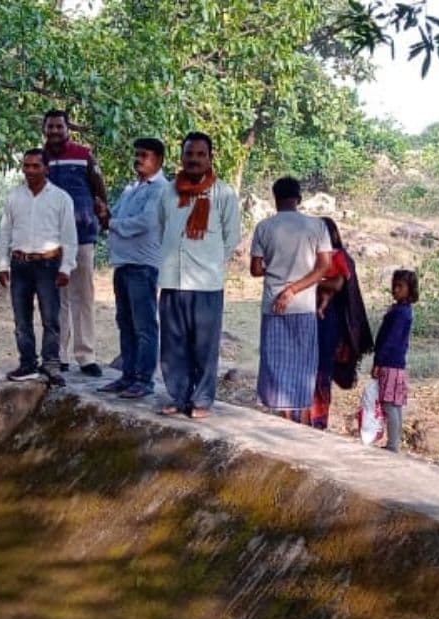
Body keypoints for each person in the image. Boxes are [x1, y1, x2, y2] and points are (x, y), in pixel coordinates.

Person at [155, 132, 241, 419]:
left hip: (206, 283)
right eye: (189, 154)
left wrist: (211, 262)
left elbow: (231, 238)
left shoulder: (224, 194)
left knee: (204, 346)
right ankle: (177, 397)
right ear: (181, 157)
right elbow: (160, 229)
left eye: (200, 154)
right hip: (171, 280)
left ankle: (202, 399)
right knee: (172, 345)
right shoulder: (167, 192)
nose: (194, 159)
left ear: (210, 158)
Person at [249, 177, 339, 418]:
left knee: (275, 365)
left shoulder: (264, 227)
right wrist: (295, 288)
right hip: (303, 305)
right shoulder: (317, 226)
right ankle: (298, 421)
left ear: (274, 198)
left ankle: (280, 417)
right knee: (301, 365)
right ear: (298, 199)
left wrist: (277, 272)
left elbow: (256, 269)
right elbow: (323, 267)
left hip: (273, 305)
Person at [94, 137, 167, 399]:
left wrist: (111, 223)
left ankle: (144, 379)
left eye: (144, 155)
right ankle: (127, 375)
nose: (138, 159)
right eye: (136, 154)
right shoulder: (130, 189)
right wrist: (104, 214)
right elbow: (113, 217)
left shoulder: (161, 190)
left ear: (158, 160)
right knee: (125, 322)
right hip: (123, 263)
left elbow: (144, 223)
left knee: (144, 325)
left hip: (143, 265)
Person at [0, 149, 77, 387]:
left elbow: (69, 237)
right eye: (26, 166)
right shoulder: (14, 196)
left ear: (46, 168)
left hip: (48, 264)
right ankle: (27, 364)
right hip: (20, 264)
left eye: (35, 166)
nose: (30, 171)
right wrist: (2, 264)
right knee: (22, 320)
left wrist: (65, 268)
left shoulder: (61, 198)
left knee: (51, 318)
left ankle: (51, 365)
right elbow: (5, 232)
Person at [42, 109, 108, 377]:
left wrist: (102, 215)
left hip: (82, 234)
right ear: (44, 130)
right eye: (51, 127)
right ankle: (59, 355)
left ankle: (86, 355)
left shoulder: (83, 155)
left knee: (83, 295)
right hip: (50, 239)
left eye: (60, 126)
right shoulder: (39, 158)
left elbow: (99, 189)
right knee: (57, 298)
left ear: (68, 129)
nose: (55, 131)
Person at [301, 217, 374, 429]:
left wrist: (311, 283)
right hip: (309, 319)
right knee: (306, 371)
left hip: (329, 323)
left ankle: (318, 420)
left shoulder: (341, 257)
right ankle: (304, 417)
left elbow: (337, 283)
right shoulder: (311, 257)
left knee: (321, 371)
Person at [372, 269, 418, 452]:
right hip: (397, 363)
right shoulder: (404, 310)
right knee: (395, 404)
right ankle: (394, 443)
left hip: (390, 363)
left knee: (389, 405)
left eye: (400, 286)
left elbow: (390, 340)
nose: (395, 289)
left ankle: (392, 445)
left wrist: (379, 361)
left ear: (410, 289)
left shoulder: (399, 313)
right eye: (394, 285)